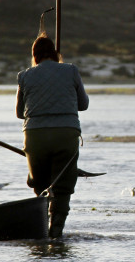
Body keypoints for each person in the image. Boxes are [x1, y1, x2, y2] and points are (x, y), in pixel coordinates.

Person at [16, 34, 89, 238]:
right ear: (56, 54)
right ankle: (56, 233)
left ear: (35, 56)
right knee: (63, 187)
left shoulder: (24, 75)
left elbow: (19, 113)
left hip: (35, 137)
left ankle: (41, 231)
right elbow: (83, 105)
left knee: (40, 185)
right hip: (66, 135)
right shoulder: (71, 70)